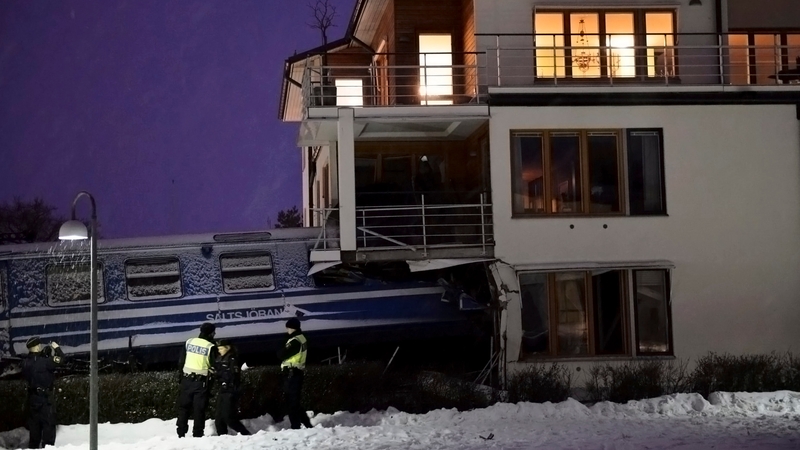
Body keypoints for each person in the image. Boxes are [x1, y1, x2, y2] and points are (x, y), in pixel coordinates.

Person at [21, 336, 64, 449]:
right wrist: (56, 348)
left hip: (32, 399)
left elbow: (34, 365)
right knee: (49, 427)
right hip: (45, 399)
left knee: (34, 430)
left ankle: (33, 447)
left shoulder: (25, 363)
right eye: (38, 345)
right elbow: (61, 359)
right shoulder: (45, 362)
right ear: (36, 347)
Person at [176, 322, 217, 438]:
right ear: (211, 333)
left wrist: (181, 378)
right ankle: (197, 434)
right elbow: (214, 366)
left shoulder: (189, 342)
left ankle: (181, 432)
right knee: (199, 410)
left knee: (184, 407)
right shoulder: (210, 347)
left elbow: (181, 361)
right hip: (201, 383)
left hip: (186, 380)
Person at [278, 317, 312, 429]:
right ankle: (306, 424)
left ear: (292, 328)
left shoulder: (295, 340)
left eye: (288, 328)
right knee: (294, 402)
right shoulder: (301, 338)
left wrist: (283, 344)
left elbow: (282, 355)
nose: (287, 330)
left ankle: (295, 426)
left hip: (292, 373)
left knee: (291, 402)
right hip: (295, 372)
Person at [213, 339, 250, 436]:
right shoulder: (220, 358)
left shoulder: (232, 358)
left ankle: (246, 434)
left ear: (227, 348)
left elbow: (231, 375)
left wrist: (217, 373)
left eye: (221, 348)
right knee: (219, 419)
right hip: (223, 389)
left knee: (228, 417)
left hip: (230, 390)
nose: (219, 350)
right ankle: (222, 437)